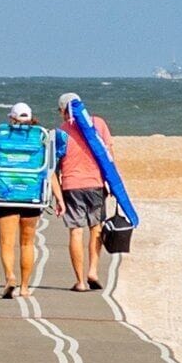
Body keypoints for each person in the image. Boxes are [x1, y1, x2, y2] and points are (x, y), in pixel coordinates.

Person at [0, 100, 55, 298]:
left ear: (11, 118)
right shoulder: (39, 137)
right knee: (28, 243)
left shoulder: (1, 135)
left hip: (5, 195)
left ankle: (10, 277)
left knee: (7, 243)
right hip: (31, 195)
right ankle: (25, 287)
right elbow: (49, 168)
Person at [53, 100, 121, 291]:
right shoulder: (98, 123)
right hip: (96, 183)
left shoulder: (62, 130)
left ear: (64, 111)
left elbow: (56, 163)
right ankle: (93, 270)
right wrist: (112, 182)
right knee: (96, 228)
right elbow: (109, 155)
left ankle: (80, 281)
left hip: (72, 185)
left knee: (76, 231)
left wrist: (57, 194)